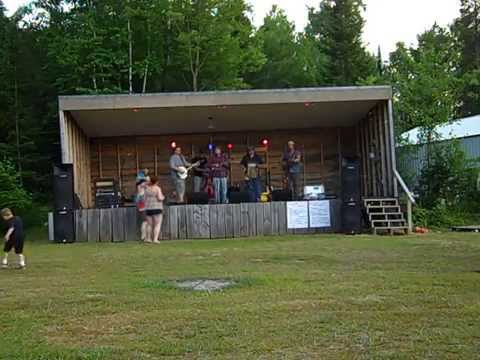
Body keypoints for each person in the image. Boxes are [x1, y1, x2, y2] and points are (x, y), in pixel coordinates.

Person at [144, 176, 165, 244]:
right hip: (157, 208)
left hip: (148, 208)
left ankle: (148, 238)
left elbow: (144, 199)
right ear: (156, 182)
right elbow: (159, 198)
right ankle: (155, 239)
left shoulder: (146, 189)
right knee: (157, 224)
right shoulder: (157, 188)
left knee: (149, 224)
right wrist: (163, 197)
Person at [135, 170, 150, 241]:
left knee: (145, 221)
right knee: (145, 221)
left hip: (141, 204)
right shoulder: (141, 184)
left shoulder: (139, 185)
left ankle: (145, 236)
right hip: (143, 204)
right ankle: (144, 236)